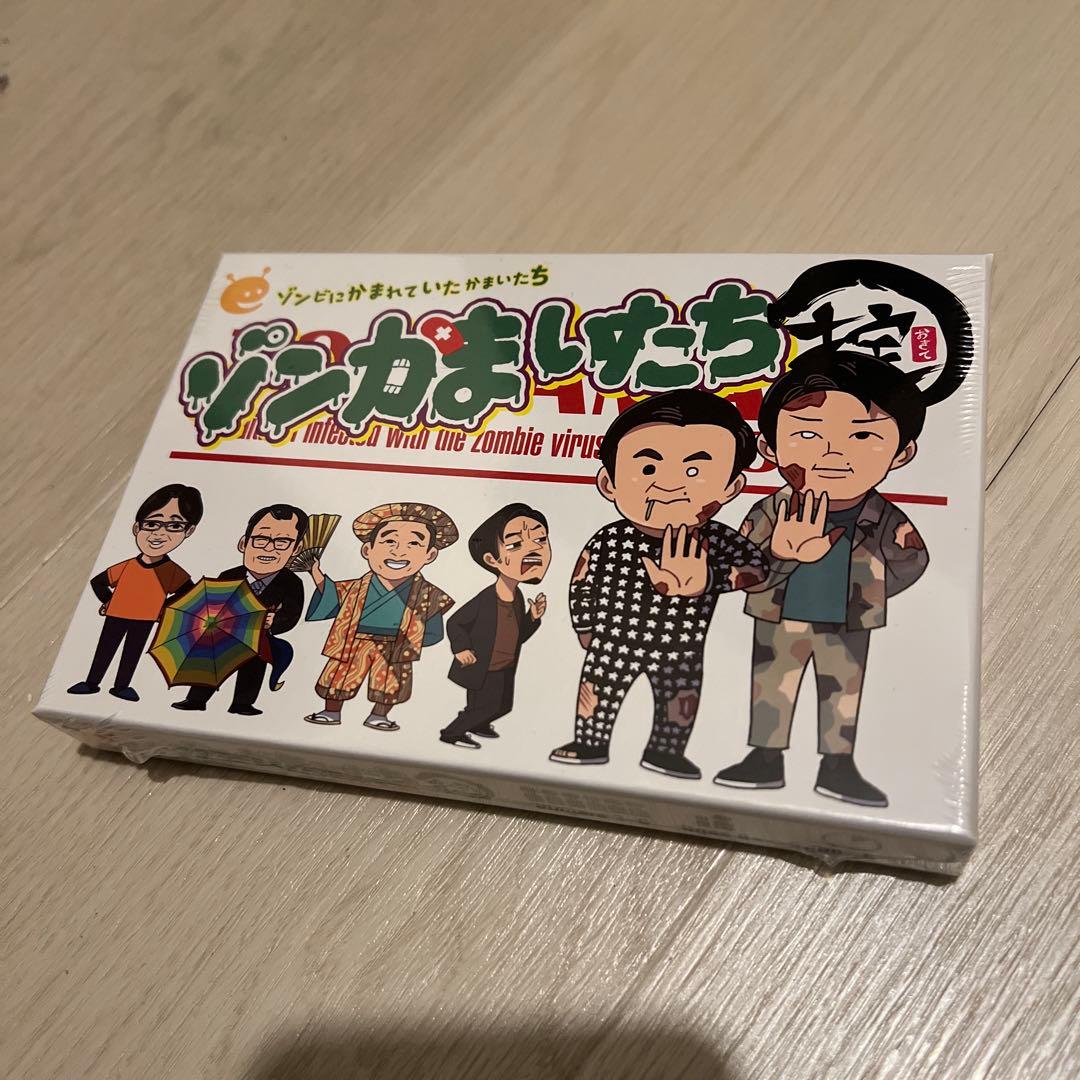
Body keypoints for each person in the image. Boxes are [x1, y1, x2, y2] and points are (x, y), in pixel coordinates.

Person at [713, 348, 930, 807]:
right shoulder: (771, 509)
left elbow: (912, 559)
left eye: (863, 435)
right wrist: (780, 555)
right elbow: (741, 565)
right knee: (771, 686)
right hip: (779, 616)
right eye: (808, 434)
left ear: (902, 453)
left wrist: (873, 589)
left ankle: (838, 765)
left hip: (848, 620)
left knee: (842, 692)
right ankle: (764, 758)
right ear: (770, 447)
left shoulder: (881, 515)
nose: (834, 452)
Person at [549, 390, 768, 780]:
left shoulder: (715, 539)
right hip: (612, 641)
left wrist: (708, 580)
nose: (669, 485)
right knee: (596, 695)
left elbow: (757, 569)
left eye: (694, 471)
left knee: (678, 704)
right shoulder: (610, 538)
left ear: (732, 487)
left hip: (681, 647)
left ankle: (666, 753)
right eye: (648, 468)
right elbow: (582, 582)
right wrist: (584, 626)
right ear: (609, 482)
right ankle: (589, 743)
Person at [301, 503, 457, 731]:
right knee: (339, 676)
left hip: (396, 644)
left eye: (414, 543)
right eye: (389, 541)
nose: (399, 551)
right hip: (354, 640)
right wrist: (315, 572)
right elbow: (333, 595)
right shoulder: (356, 587)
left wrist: (414, 640)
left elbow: (432, 629)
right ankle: (331, 711)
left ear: (430, 554)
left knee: (389, 683)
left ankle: (379, 715)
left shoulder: (428, 594)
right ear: (368, 550)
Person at [68, 484, 203, 702]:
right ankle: (92, 682)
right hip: (116, 614)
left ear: (188, 531)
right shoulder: (128, 565)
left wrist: (165, 608)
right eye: (152, 524)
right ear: (136, 528)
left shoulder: (171, 571)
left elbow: (190, 593)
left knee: (132, 652)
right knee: (105, 649)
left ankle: (121, 686)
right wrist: (108, 600)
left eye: (174, 526)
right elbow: (98, 582)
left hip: (146, 619)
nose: (159, 533)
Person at [171, 503, 307, 716]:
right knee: (209, 665)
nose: (269, 548)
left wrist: (275, 622)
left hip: (258, 638)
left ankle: (242, 703)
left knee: (253, 669)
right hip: (225, 634)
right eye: (261, 539)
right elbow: (213, 601)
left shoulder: (292, 583)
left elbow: (292, 613)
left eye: (282, 542)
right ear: (244, 543)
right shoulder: (229, 575)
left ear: (296, 549)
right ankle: (196, 699)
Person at [440, 504, 550, 749]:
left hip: (505, 665)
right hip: (482, 665)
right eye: (515, 544)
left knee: (503, 706)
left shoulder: (517, 597)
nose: (533, 549)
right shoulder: (486, 598)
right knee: (483, 706)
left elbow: (517, 636)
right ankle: (452, 733)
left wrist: (532, 617)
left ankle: (478, 725)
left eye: (540, 539)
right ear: (492, 559)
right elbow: (456, 622)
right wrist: (461, 649)